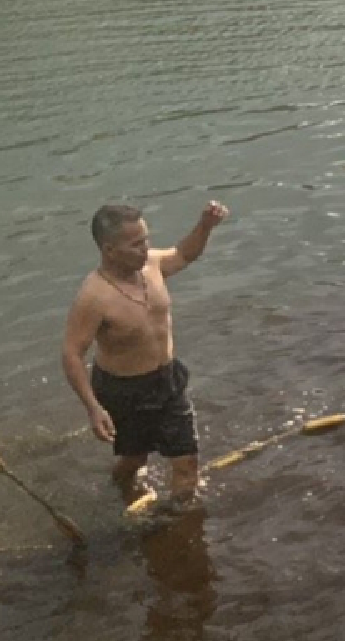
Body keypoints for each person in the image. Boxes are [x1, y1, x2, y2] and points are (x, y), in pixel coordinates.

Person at [61, 201, 229, 508]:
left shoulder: (151, 265)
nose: (145, 248)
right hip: (125, 390)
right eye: (136, 244)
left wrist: (205, 226)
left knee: (186, 461)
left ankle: (176, 528)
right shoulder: (94, 296)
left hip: (167, 379)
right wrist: (93, 408)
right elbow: (72, 353)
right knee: (135, 460)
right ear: (109, 250)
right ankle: (118, 489)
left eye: (146, 239)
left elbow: (183, 254)